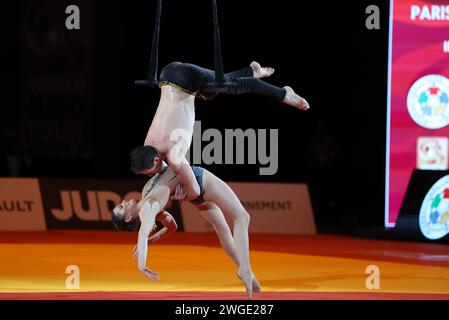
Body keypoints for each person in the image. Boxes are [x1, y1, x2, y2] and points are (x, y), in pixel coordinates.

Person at [131, 61, 310, 204]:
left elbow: (194, 190)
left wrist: (182, 196)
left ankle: (285, 94)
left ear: (156, 160)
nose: (152, 175)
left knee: (236, 86)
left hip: (185, 80)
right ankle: (251, 70)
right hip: (169, 75)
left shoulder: (174, 156)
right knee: (212, 91)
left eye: (150, 171)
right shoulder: (149, 143)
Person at [111, 163, 261, 299]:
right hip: (199, 179)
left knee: (223, 231)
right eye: (121, 207)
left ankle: (248, 274)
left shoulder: (145, 195)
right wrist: (141, 265)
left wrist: (151, 240)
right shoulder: (147, 210)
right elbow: (143, 234)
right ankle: (245, 270)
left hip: (194, 194)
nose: (123, 202)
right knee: (241, 217)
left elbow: (172, 227)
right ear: (128, 218)